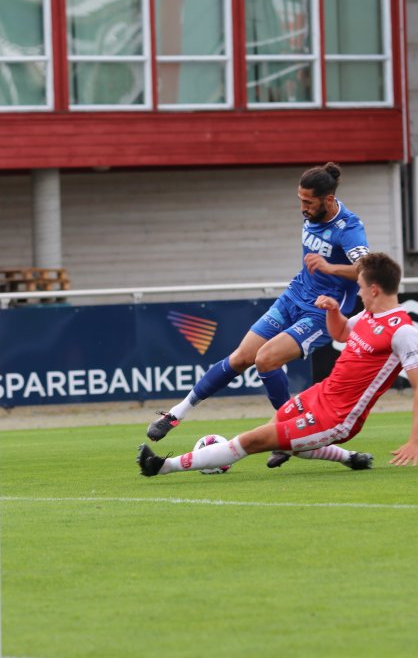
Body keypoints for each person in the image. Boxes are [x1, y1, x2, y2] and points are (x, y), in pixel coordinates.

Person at [146, 163, 370, 461]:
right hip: (294, 297)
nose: (302, 207)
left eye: (308, 202)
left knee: (266, 359)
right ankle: (176, 414)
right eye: (300, 200)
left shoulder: (349, 228)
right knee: (241, 358)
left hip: (322, 313)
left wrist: (329, 267)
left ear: (328, 200)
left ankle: (285, 434)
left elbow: (367, 270)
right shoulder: (312, 214)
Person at [137, 253, 418, 478]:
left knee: (252, 440)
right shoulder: (367, 317)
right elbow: (340, 333)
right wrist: (334, 311)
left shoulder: (403, 331)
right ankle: (349, 458)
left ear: (374, 289)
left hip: (339, 418)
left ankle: (162, 466)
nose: (359, 293)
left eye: (361, 287)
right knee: (279, 436)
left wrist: (414, 441)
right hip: (318, 395)